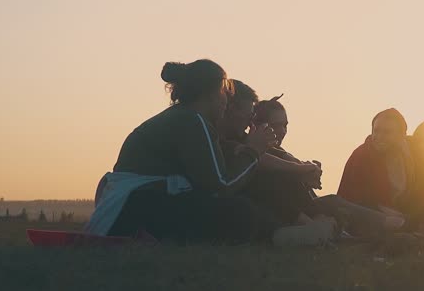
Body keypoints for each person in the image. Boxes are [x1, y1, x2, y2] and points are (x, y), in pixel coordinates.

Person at [85, 60, 279, 243]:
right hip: (138, 209)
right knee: (241, 212)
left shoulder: (182, 118)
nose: (226, 101)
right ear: (210, 94)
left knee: (241, 210)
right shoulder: (192, 122)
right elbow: (221, 185)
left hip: (133, 207)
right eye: (223, 93)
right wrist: (253, 151)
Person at [242, 95, 402, 237]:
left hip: (304, 210)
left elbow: (293, 162)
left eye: (285, 125)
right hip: (286, 216)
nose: (282, 131)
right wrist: (304, 169)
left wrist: (308, 170)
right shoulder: (252, 151)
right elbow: (276, 168)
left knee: (334, 205)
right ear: (257, 125)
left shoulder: (278, 151)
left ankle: (398, 225)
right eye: (276, 125)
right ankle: (397, 225)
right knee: (334, 203)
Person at [337, 108, 412, 211]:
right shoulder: (361, 156)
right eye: (376, 131)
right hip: (365, 219)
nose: (379, 136)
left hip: (402, 216)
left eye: (387, 132)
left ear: (401, 135)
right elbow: (354, 200)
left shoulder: (409, 155)